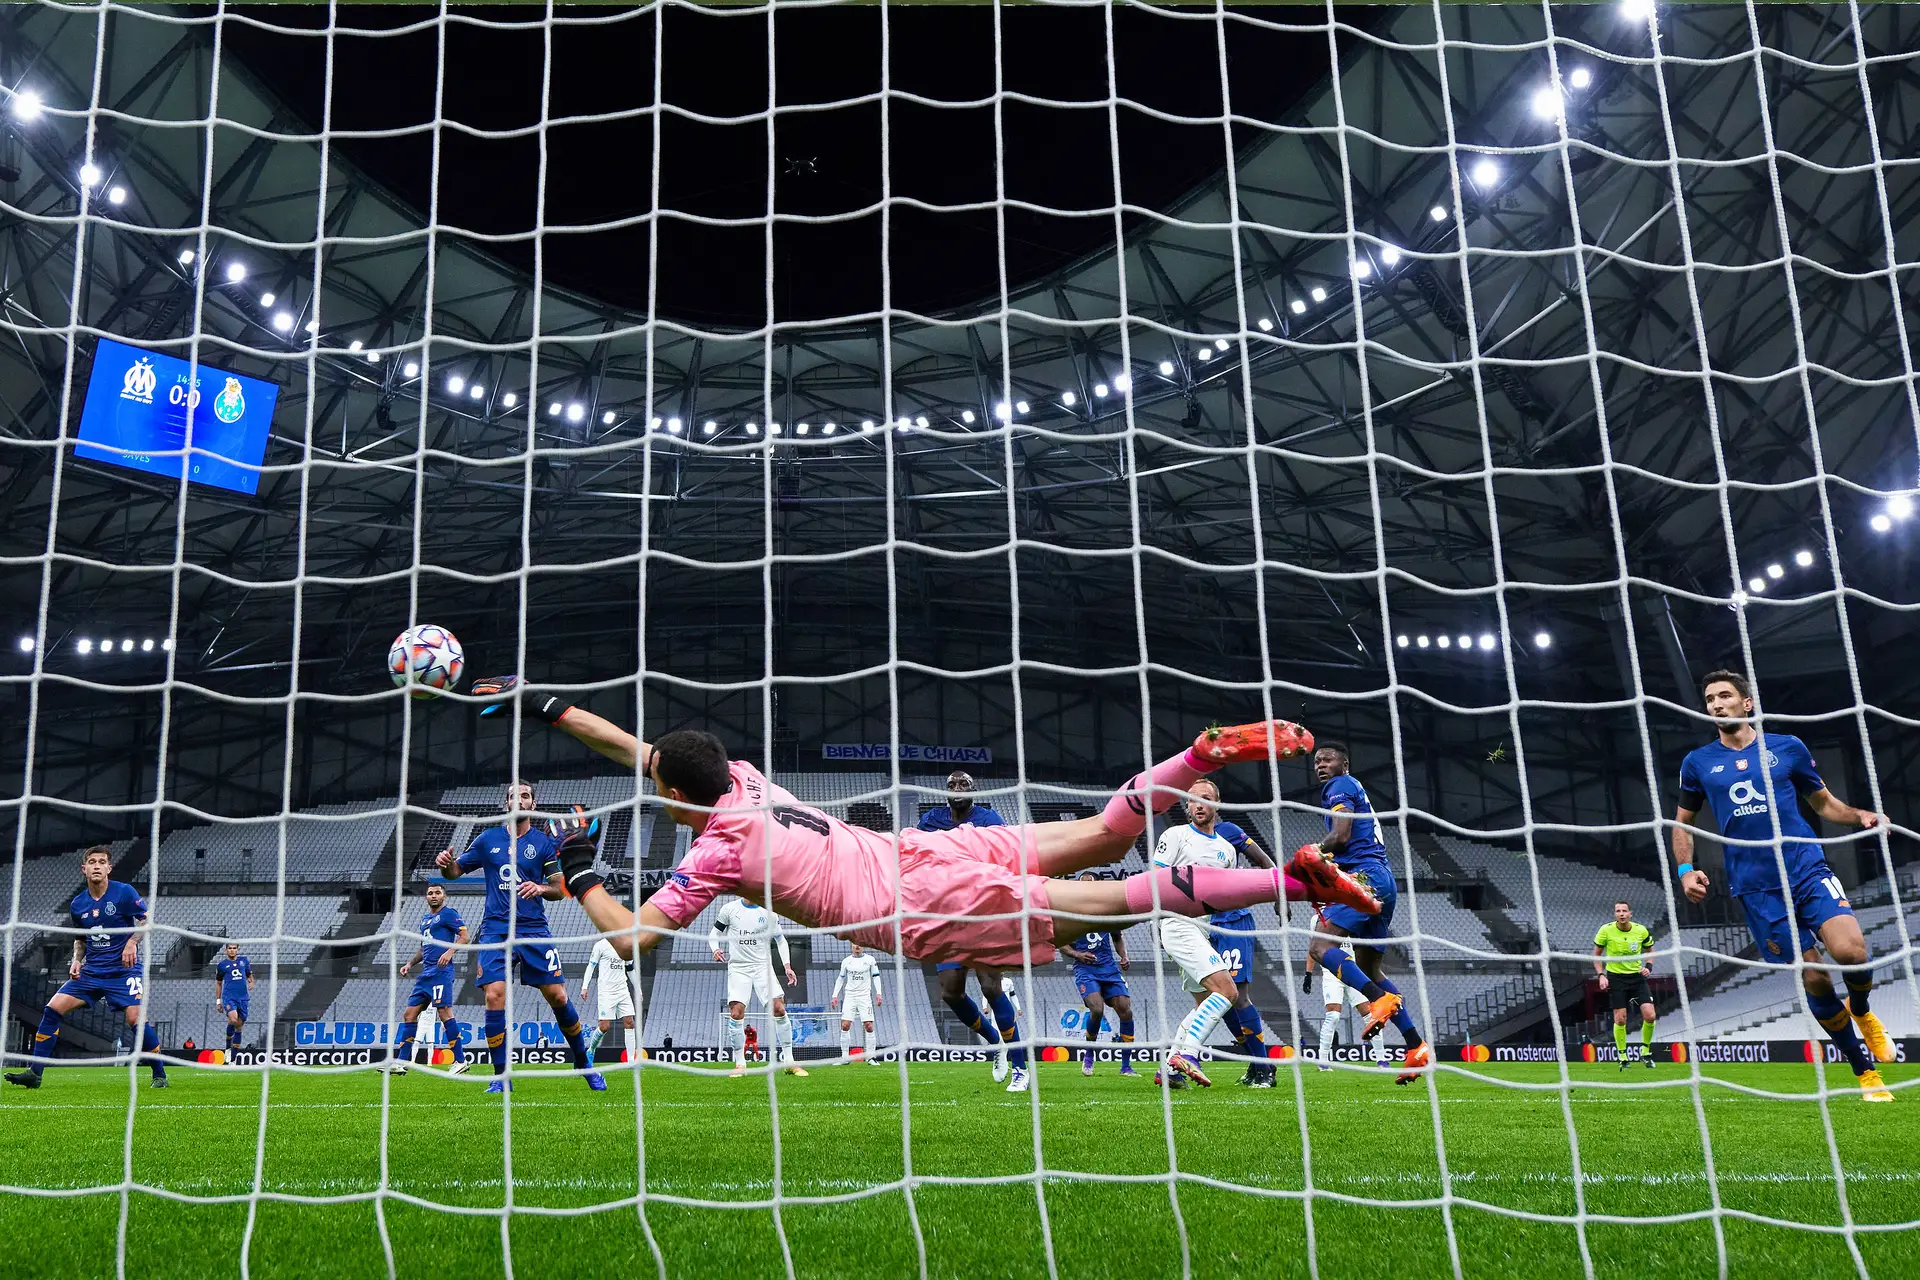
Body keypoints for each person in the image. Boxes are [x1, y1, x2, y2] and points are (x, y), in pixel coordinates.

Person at [468, 680, 1376, 1087]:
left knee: (1109, 902)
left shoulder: (713, 856)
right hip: (925, 851)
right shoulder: (742, 778)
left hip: (914, 906)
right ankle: (1193, 756)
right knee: (1104, 834)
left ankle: (1293, 886)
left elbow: (631, 940)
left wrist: (579, 865)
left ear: (669, 794)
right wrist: (541, 705)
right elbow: (632, 744)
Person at [1673, 670, 1893, 1102]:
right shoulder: (1697, 762)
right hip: (1754, 885)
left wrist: (1863, 815)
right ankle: (1865, 1073)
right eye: (1710, 699)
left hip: (1805, 867)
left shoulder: (1787, 748)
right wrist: (1685, 870)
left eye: (1725, 696)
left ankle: (1864, 1012)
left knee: (1851, 952)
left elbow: (1825, 804)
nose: (1716, 704)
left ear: (1747, 703)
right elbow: (1683, 822)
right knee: (1814, 975)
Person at [434, 781, 604, 1093]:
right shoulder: (487, 840)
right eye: (513, 796)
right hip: (495, 930)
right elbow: (455, 872)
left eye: (524, 795)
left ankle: (583, 1060)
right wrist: (446, 865)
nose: (518, 800)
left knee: (558, 997)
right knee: (494, 995)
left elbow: (559, 888)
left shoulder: (544, 843)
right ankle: (501, 1075)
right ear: (506, 804)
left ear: (532, 804)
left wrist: (541, 888)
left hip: (534, 929)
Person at [1302, 744, 1432, 1086]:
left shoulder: (1340, 785)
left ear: (1345, 763)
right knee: (1370, 968)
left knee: (1319, 946)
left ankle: (1379, 1000)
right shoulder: (1349, 789)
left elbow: (1341, 836)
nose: (1321, 765)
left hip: (1364, 878)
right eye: (1317, 761)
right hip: (1382, 880)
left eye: (1327, 759)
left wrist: (1313, 854)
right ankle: (1416, 1045)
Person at [1146, 779, 1282, 1088]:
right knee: (1229, 992)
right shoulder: (1175, 835)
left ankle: (1168, 1070)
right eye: (1192, 799)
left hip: (1204, 930)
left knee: (1204, 1002)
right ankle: (1189, 1055)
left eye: (1205, 798)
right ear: (1186, 805)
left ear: (1216, 804)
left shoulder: (1225, 849)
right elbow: (1154, 880)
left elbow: (1226, 893)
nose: (1198, 804)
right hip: (1178, 925)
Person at [4, 846, 167, 1090]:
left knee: (135, 1019)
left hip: (123, 971)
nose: (97, 865)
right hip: (91, 973)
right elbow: (80, 939)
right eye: (92, 861)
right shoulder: (78, 904)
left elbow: (146, 921)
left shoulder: (123, 892)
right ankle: (35, 1073)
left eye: (102, 862)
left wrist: (132, 942)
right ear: (84, 869)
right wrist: (77, 960)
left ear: (109, 868)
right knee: (52, 1009)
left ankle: (160, 1074)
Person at [918, 772, 1022, 1085]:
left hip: (983, 913)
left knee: (991, 987)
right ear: (945, 792)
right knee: (951, 993)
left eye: (964, 785)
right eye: (952, 785)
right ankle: (996, 1044)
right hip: (947, 916)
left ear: (975, 791)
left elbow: (1008, 857)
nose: (957, 789)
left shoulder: (990, 820)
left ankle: (1021, 1068)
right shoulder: (931, 820)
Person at [1204, 802, 1279, 1086]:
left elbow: (1265, 862)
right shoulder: (1182, 837)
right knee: (1219, 999)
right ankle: (1255, 1061)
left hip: (1234, 921)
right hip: (1204, 926)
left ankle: (1264, 1068)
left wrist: (1277, 896)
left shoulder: (1229, 831)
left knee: (1237, 995)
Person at [711, 896, 806, 1077]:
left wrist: (787, 966)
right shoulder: (729, 909)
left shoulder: (769, 913)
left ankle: (789, 1062)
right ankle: (740, 1065)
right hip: (739, 968)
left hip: (763, 967)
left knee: (778, 1008)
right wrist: (715, 948)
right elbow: (714, 934)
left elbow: (780, 939)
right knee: (736, 1012)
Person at [383, 883, 471, 1075]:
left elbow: (464, 937)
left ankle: (460, 1060)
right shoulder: (425, 920)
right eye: (430, 893)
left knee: (444, 1013)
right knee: (409, 1014)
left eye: (437, 893)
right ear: (426, 897)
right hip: (426, 974)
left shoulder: (449, 914)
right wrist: (409, 964)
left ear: (444, 896)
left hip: (441, 971)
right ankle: (402, 1062)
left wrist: (449, 952)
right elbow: (424, 948)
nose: (433, 896)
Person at [1057, 891, 1138, 1077]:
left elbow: (1117, 938)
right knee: (1097, 1010)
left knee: (1125, 1009)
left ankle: (1126, 1066)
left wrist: (1124, 956)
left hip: (1109, 969)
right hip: (1086, 970)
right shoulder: (1071, 918)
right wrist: (1078, 955)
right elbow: (1060, 943)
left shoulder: (1107, 917)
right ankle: (1089, 1054)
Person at [1593, 901, 1656, 1071]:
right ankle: (1623, 1057)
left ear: (1630, 914)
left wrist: (1648, 967)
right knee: (1621, 1019)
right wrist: (1601, 976)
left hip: (1637, 978)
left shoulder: (1641, 930)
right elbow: (1597, 956)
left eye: (1624, 911)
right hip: (1616, 979)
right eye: (1617, 911)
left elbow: (1651, 952)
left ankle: (1646, 1052)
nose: (1621, 913)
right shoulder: (1605, 930)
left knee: (1650, 1015)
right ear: (1615, 914)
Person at [1304, 950, 1387, 1071]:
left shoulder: (1353, 931)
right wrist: (1308, 974)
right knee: (1333, 1016)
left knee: (1370, 1016)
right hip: (1331, 974)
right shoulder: (1321, 931)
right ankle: (1323, 1061)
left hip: (1352, 971)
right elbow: (1313, 950)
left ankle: (1382, 1060)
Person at [580, 936, 641, 1062]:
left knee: (630, 1022)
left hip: (622, 989)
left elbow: (630, 969)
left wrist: (638, 989)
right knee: (604, 1027)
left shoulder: (625, 946)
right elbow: (591, 966)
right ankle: (591, 1050)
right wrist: (585, 987)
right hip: (606, 991)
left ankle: (631, 1061)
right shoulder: (601, 945)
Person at [830, 943, 883, 1062]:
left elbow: (876, 976)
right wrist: (834, 995)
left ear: (863, 945)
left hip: (865, 997)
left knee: (868, 1026)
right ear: (851, 945)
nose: (857, 946)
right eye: (855, 944)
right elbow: (841, 978)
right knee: (845, 1025)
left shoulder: (870, 960)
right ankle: (844, 1058)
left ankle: (871, 1057)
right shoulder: (846, 961)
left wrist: (879, 993)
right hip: (850, 996)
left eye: (860, 944)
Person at [214, 942, 253, 1056]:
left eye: (234, 948)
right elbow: (219, 983)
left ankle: (233, 1059)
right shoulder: (222, 965)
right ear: (226, 950)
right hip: (229, 997)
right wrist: (218, 1001)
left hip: (243, 998)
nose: (232, 950)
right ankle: (227, 1046)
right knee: (233, 1019)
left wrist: (251, 982)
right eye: (230, 948)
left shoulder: (244, 961)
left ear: (237, 950)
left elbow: (249, 974)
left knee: (239, 1026)